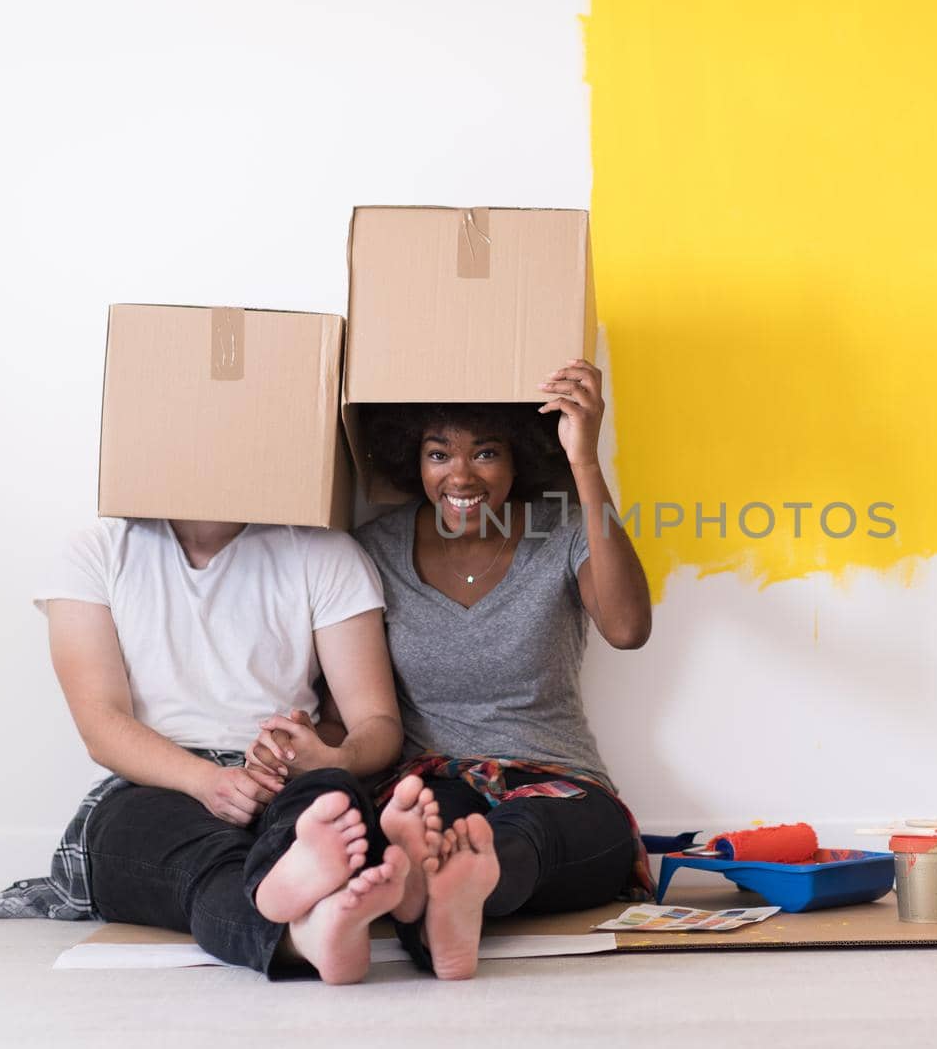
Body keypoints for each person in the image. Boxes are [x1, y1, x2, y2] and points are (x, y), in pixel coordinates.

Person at [252, 357, 653, 980]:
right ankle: (440, 893)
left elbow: (628, 629)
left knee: (530, 831)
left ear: (521, 456)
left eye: (486, 453)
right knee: (433, 820)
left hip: (558, 781)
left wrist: (585, 461)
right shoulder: (374, 549)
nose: (461, 475)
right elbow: (348, 710)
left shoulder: (567, 529)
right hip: (428, 779)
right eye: (439, 454)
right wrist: (307, 748)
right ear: (413, 459)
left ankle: (451, 887)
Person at [0, 517, 442, 984]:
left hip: (284, 776)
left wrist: (328, 757)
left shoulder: (324, 551)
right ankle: (302, 928)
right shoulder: (95, 551)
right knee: (205, 859)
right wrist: (206, 782)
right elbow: (100, 726)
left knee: (333, 795)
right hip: (153, 783)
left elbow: (376, 726)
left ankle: (316, 901)